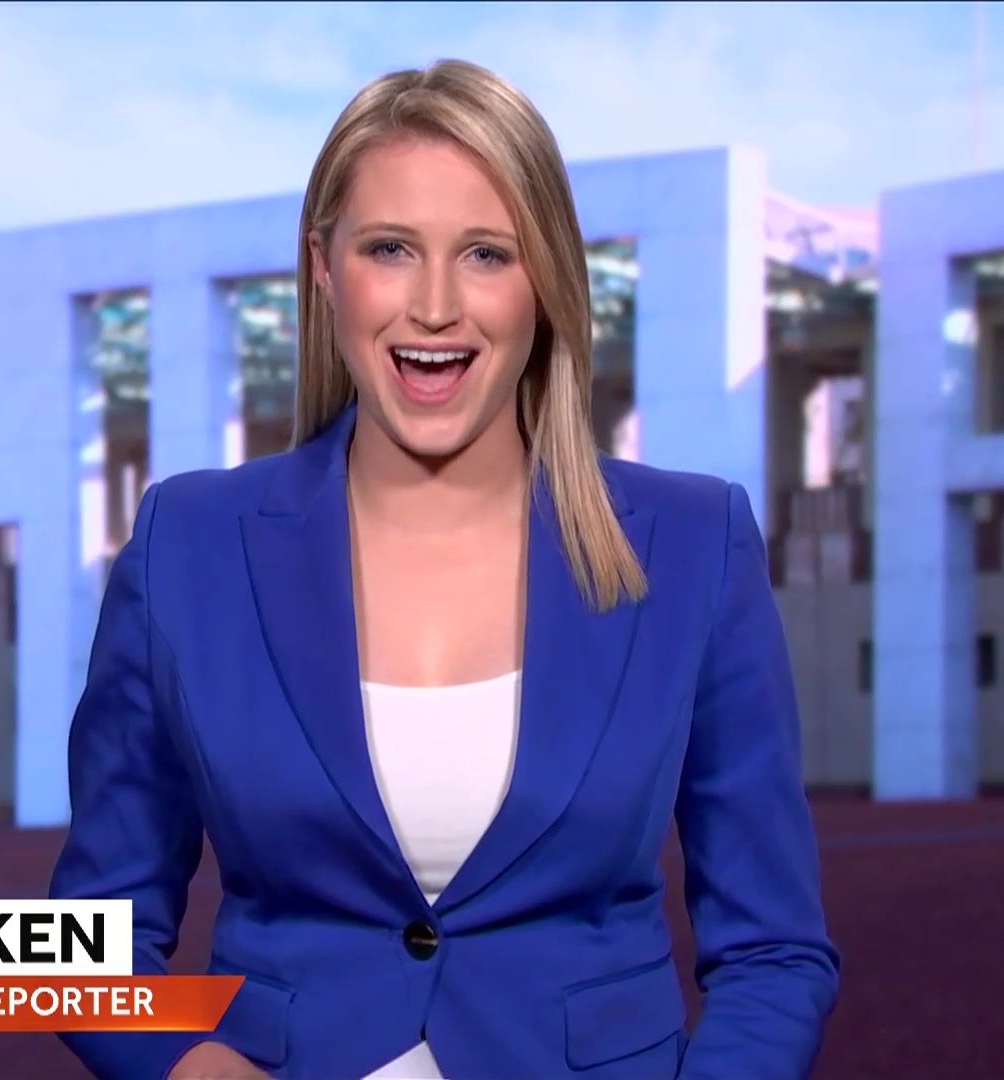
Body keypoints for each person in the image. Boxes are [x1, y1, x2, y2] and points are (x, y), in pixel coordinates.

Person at [51, 59, 841, 1080]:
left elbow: (774, 951)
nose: (434, 306)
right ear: (324, 268)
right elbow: (92, 936)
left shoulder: (694, 545)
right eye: (390, 249)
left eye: (486, 254)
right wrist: (187, 1065)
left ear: (546, 280)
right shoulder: (186, 547)